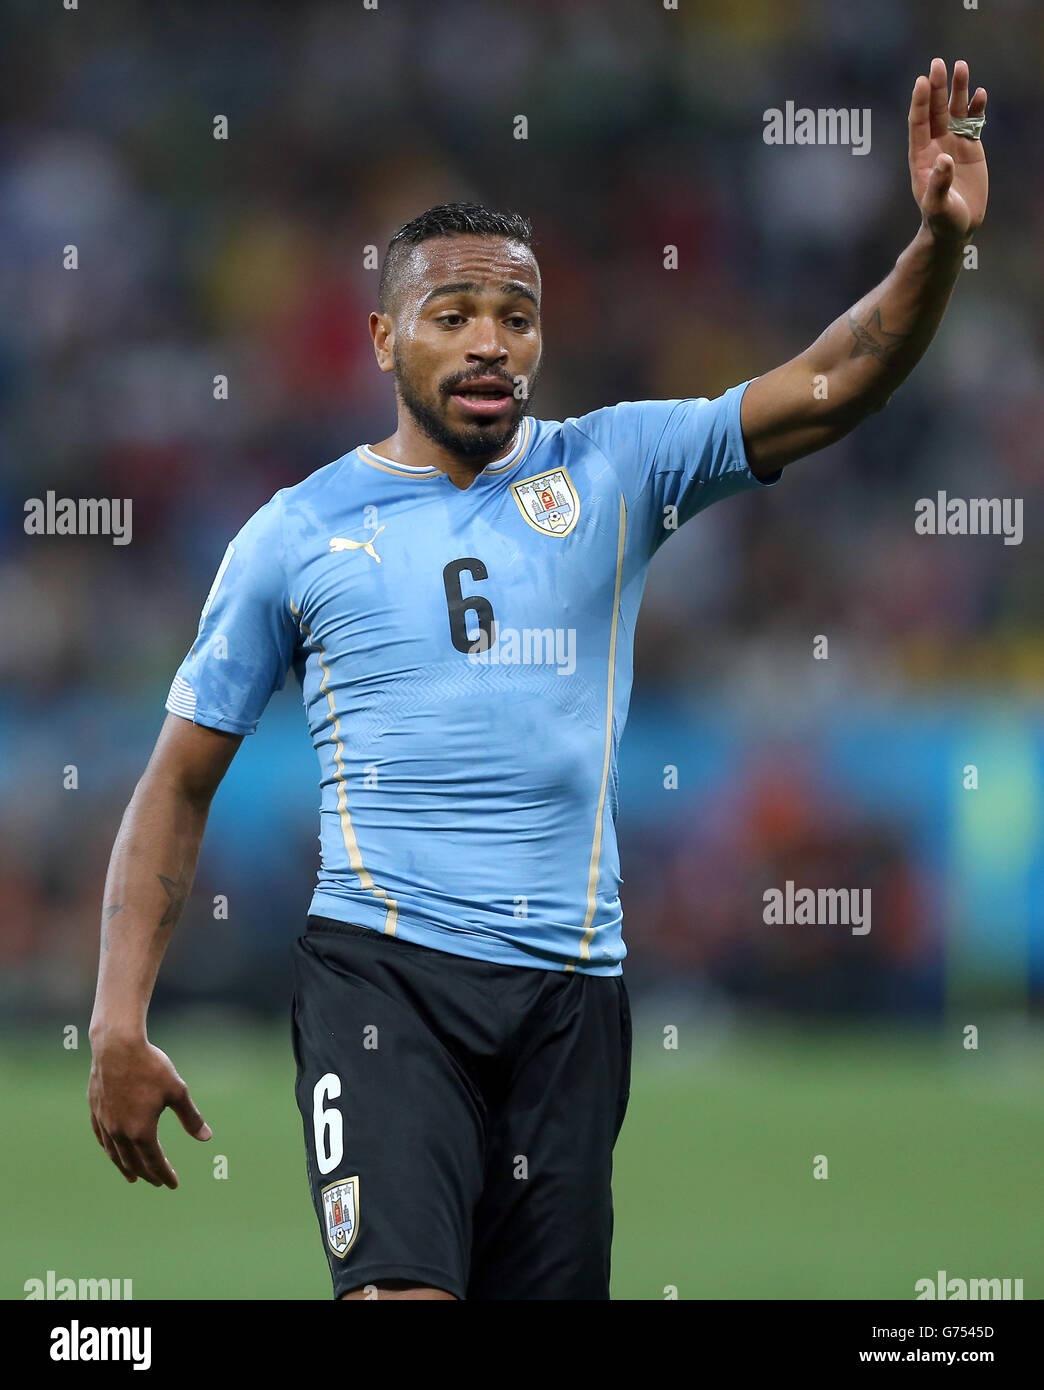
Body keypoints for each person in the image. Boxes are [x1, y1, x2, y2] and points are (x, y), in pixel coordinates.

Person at [88, 60, 987, 1300]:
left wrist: (936, 242)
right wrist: (117, 1019)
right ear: (383, 336)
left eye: (514, 317)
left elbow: (831, 383)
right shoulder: (293, 535)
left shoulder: (616, 469)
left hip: (572, 997)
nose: (487, 344)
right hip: (381, 979)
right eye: (452, 314)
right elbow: (179, 782)